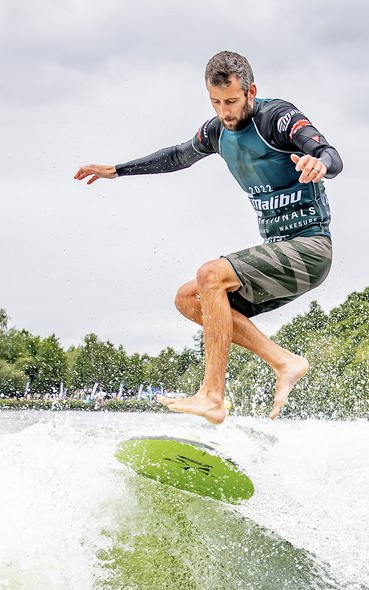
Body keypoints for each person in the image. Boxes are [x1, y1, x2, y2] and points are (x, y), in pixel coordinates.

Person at [74, 51, 343, 424]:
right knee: (189, 299)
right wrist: (118, 171)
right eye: (216, 102)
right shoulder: (217, 131)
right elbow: (178, 156)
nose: (225, 112)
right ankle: (284, 361)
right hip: (276, 251)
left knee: (211, 274)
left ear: (251, 91)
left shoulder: (278, 118)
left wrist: (320, 163)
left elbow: (331, 154)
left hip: (310, 248)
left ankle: (212, 397)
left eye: (231, 101)